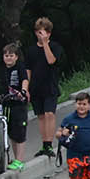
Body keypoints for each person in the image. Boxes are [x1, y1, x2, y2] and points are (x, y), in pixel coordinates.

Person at [26, 17, 64, 159]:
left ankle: (49, 143)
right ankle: (44, 143)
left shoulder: (55, 47)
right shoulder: (31, 50)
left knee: (49, 114)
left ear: (49, 33)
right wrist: (26, 88)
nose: (41, 35)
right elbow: (28, 69)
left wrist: (45, 44)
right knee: (41, 116)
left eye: (44, 32)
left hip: (50, 85)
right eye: (39, 32)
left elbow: (51, 60)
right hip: (36, 86)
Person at [0, 43, 31, 171]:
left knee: (20, 131)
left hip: (19, 104)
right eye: (6, 55)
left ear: (16, 57)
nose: (8, 58)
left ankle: (20, 159)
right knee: (11, 132)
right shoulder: (3, 70)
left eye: (11, 55)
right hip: (7, 104)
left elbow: (24, 79)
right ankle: (15, 158)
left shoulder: (20, 68)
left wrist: (23, 91)